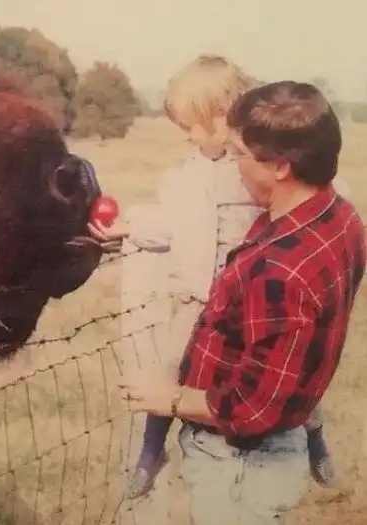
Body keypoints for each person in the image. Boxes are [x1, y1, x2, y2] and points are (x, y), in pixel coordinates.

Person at [115, 80, 366, 525]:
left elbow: (254, 408)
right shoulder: (339, 217)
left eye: (238, 155)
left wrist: (169, 399)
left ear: (280, 166)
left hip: (239, 463)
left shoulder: (280, 272)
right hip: (268, 451)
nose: (232, 169)